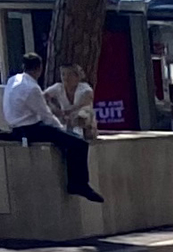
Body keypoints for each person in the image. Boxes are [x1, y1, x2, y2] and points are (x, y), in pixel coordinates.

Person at [4, 53, 104, 202]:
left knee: (71, 139)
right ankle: (78, 183)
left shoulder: (13, 80)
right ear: (40, 68)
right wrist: (62, 131)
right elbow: (46, 116)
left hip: (17, 126)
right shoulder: (32, 88)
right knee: (79, 144)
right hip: (32, 128)